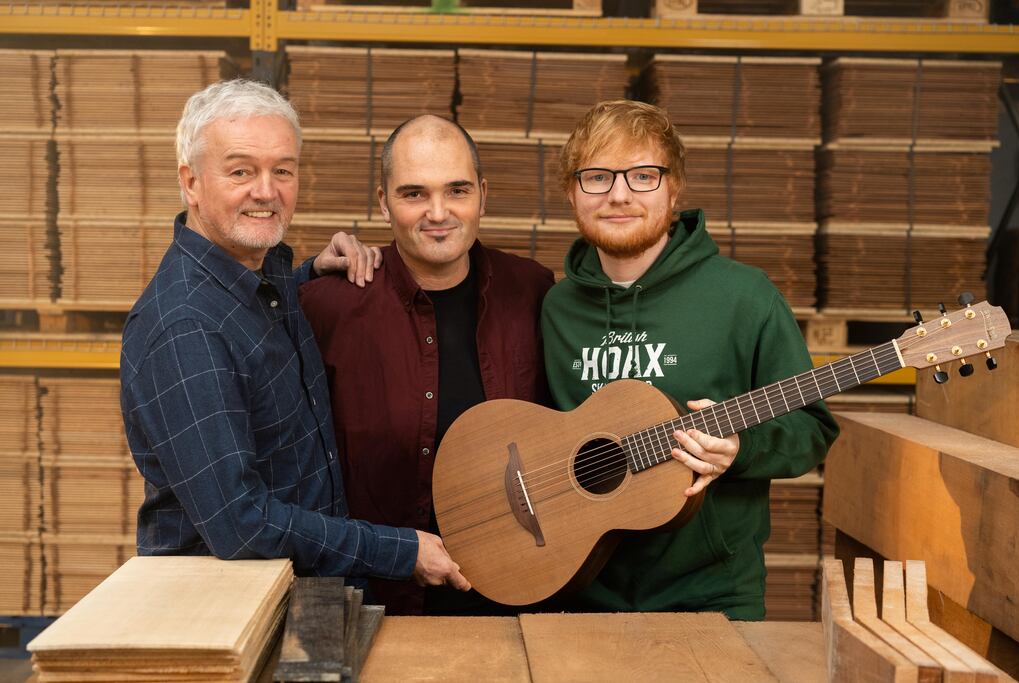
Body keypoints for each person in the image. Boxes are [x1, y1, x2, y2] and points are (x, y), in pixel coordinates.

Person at [120, 79, 469, 592]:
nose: (266, 191)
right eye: (241, 171)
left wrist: (309, 272)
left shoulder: (257, 281)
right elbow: (241, 524)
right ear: (190, 182)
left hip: (295, 590)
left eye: (282, 170)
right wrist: (398, 549)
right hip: (229, 609)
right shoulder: (186, 330)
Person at [540, 100, 839, 619]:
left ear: (674, 188)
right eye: (597, 177)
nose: (618, 194)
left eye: (643, 176)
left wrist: (740, 449)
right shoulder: (554, 308)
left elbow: (812, 429)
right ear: (572, 192)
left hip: (711, 595)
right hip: (577, 590)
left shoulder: (744, 297)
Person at [299, 115, 554, 615]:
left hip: (521, 593)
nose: (438, 213)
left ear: (483, 195)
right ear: (383, 202)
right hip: (374, 604)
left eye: (457, 190)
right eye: (414, 194)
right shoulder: (325, 307)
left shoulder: (534, 292)